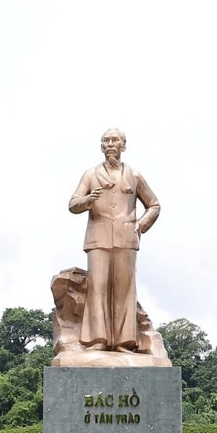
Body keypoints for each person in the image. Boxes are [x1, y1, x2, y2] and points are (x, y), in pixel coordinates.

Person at [67, 127, 161, 352]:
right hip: (98, 238)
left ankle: (123, 342)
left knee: (124, 290)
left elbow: (154, 205)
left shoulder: (134, 175)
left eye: (115, 140)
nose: (110, 144)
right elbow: (72, 204)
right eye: (106, 141)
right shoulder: (90, 175)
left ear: (123, 146)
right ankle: (97, 339)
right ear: (101, 147)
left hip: (126, 238)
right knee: (97, 288)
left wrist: (140, 225)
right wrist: (88, 200)